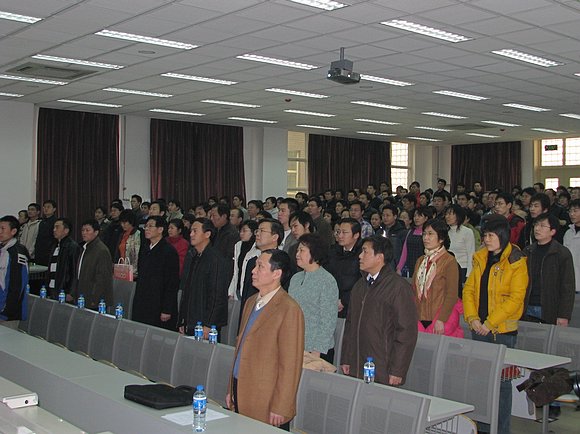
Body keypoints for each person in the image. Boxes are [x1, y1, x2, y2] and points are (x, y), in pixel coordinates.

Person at [463, 215, 528, 434]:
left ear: (503, 236)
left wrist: (490, 323)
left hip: (502, 330)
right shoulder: (480, 257)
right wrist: (472, 318)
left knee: (501, 383)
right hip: (478, 327)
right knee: (480, 381)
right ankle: (482, 427)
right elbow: (469, 289)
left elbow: (515, 299)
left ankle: (501, 429)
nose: (487, 240)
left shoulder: (516, 259)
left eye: (491, 235)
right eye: (485, 235)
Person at [226, 250, 304, 430]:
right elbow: (240, 349)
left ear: (277, 273)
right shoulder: (251, 302)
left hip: (266, 397)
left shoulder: (289, 309)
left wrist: (282, 406)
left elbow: (290, 364)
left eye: (260, 266)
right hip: (241, 386)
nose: (253, 271)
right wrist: (231, 388)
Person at [341, 235, 417, 386]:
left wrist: (398, 370)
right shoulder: (359, 286)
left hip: (383, 366)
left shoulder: (398, 287)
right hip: (357, 363)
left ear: (379, 257)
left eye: (365, 252)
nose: (360, 256)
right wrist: (346, 358)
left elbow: (406, 332)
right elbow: (350, 325)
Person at [178, 218, 231, 337]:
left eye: (195, 231)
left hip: (206, 324)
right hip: (190, 319)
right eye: (191, 231)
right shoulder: (192, 256)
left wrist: (209, 324)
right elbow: (186, 291)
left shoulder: (216, 259)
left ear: (207, 234)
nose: (191, 234)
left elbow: (217, 296)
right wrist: (182, 320)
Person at [288, 233, 338, 362]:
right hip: (295, 343)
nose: (297, 254)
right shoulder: (295, 278)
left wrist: (317, 350)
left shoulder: (327, 281)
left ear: (315, 253)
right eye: (297, 250)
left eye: (302, 250)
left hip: (316, 350)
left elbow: (328, 320)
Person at [522, 213, 575, 324]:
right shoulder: (527, 251)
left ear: (552, 231)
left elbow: (567, 287)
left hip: (549, 308)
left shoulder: (562, 253)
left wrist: (564, 315)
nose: (537, 228)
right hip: (527, 306)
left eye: (542, 226)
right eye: (536, 225)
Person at [412, 219, 462, 337]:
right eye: (424, 234)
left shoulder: (449, 261)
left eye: (430, 234)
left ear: (441, 238)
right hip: (419, 316)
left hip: (440, 317)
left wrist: (441, 319)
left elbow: (452, 294)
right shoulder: (420, 260)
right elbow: (413, 289)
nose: (426, 238)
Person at [131, 216, 179, 329]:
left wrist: (167, 309)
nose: (146, 229)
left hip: (159, 302)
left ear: (160, 229)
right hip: (143, 299)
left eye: (150, 226)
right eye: (146, 226)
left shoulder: (169, 251)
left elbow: (172, 283)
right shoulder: (144, 248)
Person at [71, 219, 113, 309]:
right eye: (83, 230)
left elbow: (102, 278)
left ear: (96, 232)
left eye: (87, 230)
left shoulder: (101, 250)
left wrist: (95, 299)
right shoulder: (84, 248)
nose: (84, 233)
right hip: (82, 295)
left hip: (94, 299)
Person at [0, 216, 29, 321]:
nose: (0, 231)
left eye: (3, 229)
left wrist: (7, 311)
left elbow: (18, 285)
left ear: (13, 231)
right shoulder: (3, 250)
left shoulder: (17, 252)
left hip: (8, 313)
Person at [46, 218, 80, 299]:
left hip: (64, 290)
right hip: (52, 287)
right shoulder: (54, 245)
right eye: (54, 227)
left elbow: (74, 271)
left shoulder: (72, 247)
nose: (54, 230)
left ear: (66, 230)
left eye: (57, 227)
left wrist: (71, 292)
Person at [397, 206, 434, 278]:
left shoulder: (430, 233)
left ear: (426, 218)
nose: (416, 218)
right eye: (415, 216)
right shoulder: (410, 232)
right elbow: (405, 251)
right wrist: (399, 268)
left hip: (424, 267)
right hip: (410, 266)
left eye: (419, 216)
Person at [228, 220, 259, 300]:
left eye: (244, 231)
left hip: (251, 290)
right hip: (238, 288)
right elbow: (235, 270)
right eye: (240, 231)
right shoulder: (238, 245)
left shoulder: (258, 248)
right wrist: (231, 291)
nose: (241, 233)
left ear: (254, 232)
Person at [445, 205, 475, 284]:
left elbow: (471, 254)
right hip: (447, 268)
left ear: (458, 216)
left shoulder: (467, 232)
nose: (447, 216)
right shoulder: (445, 232)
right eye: (446, 214)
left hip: (462, 269)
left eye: (450, 214)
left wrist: (468, 275)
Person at [116, 210, 143, 279]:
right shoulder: (121, 235)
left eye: (125, 222)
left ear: (131, 221)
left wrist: (135, 272)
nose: (122, 225)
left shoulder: (138, 234)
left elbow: (137, 254)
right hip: (121, 269)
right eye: (121, 222)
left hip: (133, 271)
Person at [564, 199, 580, 295]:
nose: (572, 214)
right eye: (570, 211)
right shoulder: (568, 233)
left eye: (575, 211)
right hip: (570, 283)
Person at [34, 200, 58, 266]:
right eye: (44, 207)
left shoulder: (56, 222)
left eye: (48, 207)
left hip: (49, 251)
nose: (46, 209)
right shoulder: (41, 222)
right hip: (39, 251)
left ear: (54, 209)